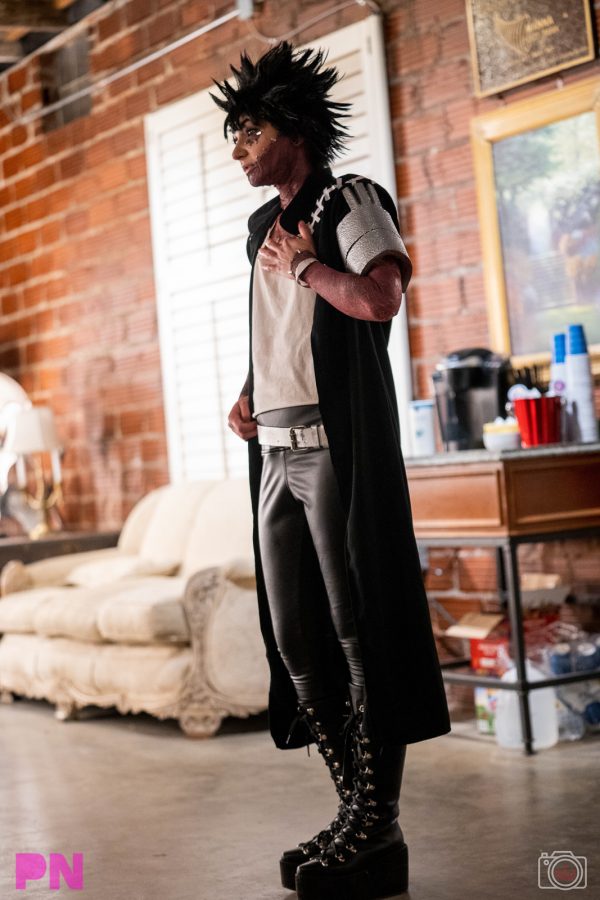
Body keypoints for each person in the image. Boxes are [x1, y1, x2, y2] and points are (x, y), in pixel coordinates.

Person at [211, 41, 450, 900]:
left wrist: (310, 265)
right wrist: (250, 391)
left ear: (294, 129)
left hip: (332, 451)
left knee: (359, 638)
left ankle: (373, 827)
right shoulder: (260, 230)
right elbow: (281, 328)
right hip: (273, 454)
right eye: (234, 135)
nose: (238, 149)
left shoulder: (351, 200)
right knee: (297, 643)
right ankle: (362, 817)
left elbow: (380, 299)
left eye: (249, 131)